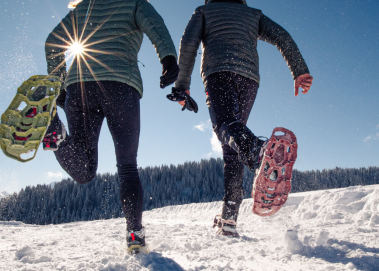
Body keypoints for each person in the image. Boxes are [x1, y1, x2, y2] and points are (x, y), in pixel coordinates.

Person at [43, 0, 179, 253]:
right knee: (127, 166)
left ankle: (59, 138)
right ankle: (135, 234)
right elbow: (156, 26)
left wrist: (58, 84)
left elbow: (53, 43)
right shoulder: (135, 3)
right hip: (121, 86)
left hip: (79, 88)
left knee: (83, 171)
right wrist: (169, 58)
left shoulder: (83, 8)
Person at [174, 0, 313, 237]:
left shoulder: (205, 11)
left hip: (218, 72)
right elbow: (282, 36)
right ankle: (229, 219)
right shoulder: (252, 14)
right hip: (249, 79)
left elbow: (189, 43)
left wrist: (182, 85)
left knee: (225, 129)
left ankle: (259, 152)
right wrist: (299, 69)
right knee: (233, 143)